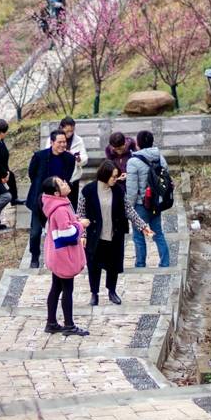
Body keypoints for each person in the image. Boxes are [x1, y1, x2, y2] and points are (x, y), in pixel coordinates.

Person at [40, 175, 89, 336]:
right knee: (67, 289)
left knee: (56, 288)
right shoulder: (60, 209)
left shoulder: (58, 205)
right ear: (56, 193)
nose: (66, 183)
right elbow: (67, 234)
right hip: (63, 256)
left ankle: (51, 323)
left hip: (56, 254)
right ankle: (69, 325)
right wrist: (80, 225)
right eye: (61, 183)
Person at [24, 126, 77, 268]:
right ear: (52, 142)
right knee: (35, 232)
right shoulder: (40, 156)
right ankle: (35, 257)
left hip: (58, 201)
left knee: (59, 231)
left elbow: (67, 177)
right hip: (40, 200)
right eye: (59, 142)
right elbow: (32, 174)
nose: (62, 145)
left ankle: (61, 259)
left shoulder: (70, 159)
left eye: (64, 142)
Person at [79, 158, 128, 307]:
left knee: (113, 265)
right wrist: (83, 234)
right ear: (105, 174)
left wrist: (142, 226)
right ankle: (94, 293)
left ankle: (112, 291)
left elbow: (128, 209)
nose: (115, 179)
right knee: (94, 266)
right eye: (113, 176)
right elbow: (80, 213)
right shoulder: (88, 190)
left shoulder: (118, 190)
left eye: (116, 176)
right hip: (95, 236)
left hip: (114, 234)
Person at [125, 129, 173, 268]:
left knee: (139, 236)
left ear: (138, 144)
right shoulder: (160, 158)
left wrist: (130, 207)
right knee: (158, 233)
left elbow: (132, 189)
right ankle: (165, 262)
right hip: (156, 203)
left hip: (141, 203)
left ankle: (140, 264)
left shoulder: (133, 161)